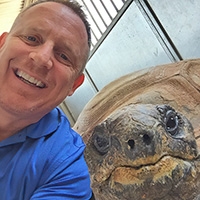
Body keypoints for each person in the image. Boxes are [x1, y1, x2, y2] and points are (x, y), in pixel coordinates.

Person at [0, 0, 95, 199]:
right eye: (32, 38)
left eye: (63, 55)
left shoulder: (66, 169)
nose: (42, 58)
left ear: (74, 86)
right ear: (2, 43)